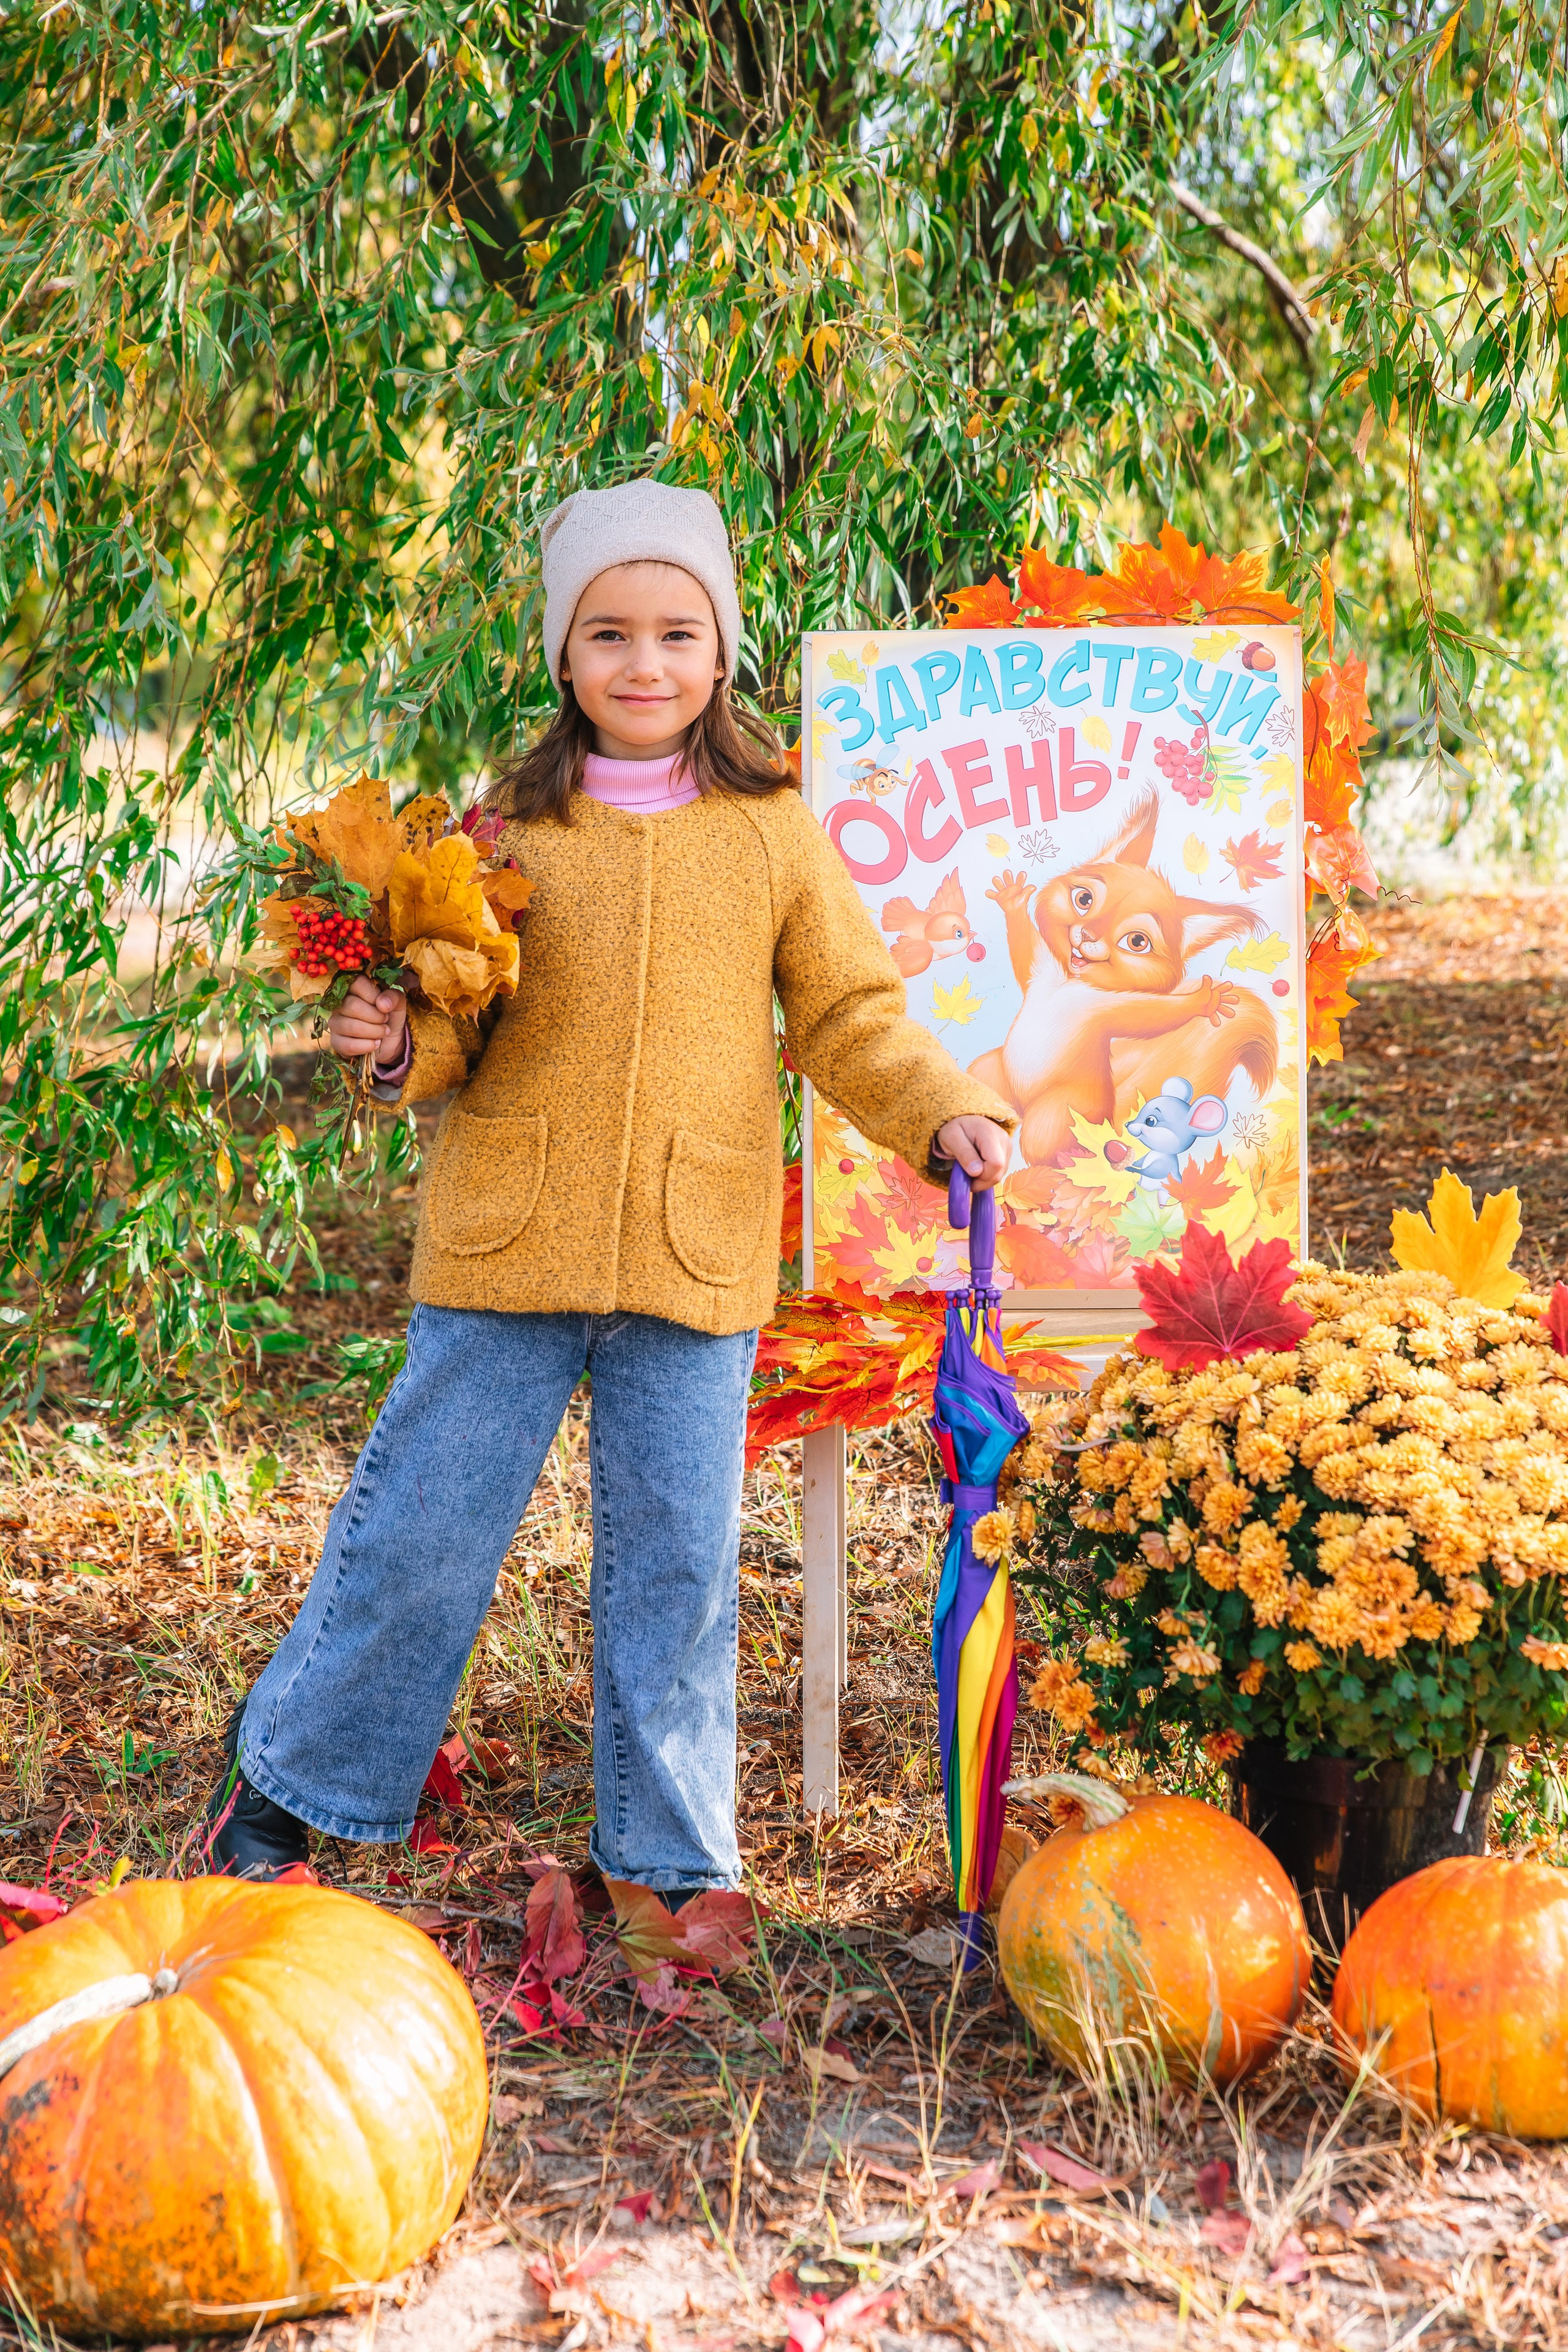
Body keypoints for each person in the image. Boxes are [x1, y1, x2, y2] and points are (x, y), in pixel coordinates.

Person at [203, 478, 1013, 1893]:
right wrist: (401, 1044)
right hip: (506, 1241)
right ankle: (290, 1776)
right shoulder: (501, 833)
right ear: (563, 657)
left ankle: (669, 1866)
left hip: (690, 1253)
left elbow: (846, 1014)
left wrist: (940, 1111)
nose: (645, 666)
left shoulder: (770, 832)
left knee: (678, 1578)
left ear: (721, 654)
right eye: (610, 636)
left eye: (677, 636)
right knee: (421, 1534)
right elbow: (454, 1015)